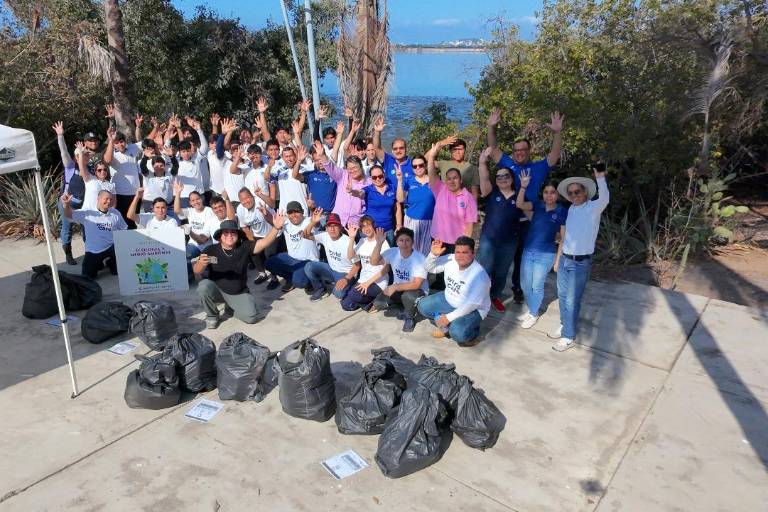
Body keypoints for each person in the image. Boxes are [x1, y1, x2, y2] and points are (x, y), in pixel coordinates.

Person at [486, 108, 564, 304]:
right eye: (516, 150)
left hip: (528, 220)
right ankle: (488, 289)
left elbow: (554, 156)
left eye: (523, 150)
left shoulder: (537, 167)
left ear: (529, 151)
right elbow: (493, 149)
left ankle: (518, 288)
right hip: (506, 219)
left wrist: (557, 133)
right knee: (498, 255)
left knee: (522, 257)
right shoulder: (507, 164)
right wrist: (491, 127)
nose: (519, 153)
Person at [550, 165, 609, 352]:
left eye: (577, 191)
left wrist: (600, 177)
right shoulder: (571, 210)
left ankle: (568, 335)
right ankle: (565, 324)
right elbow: (565, 236)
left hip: (580, 262)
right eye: (571, 193)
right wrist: (558, 259)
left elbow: (605, 197)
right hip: (566, 259)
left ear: (585, 192)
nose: (574, 195)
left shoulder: (592, 208)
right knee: (562, 296)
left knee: (572, 300)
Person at [193, 215, 285, 329]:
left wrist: (276, 228)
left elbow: (264, 242)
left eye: (233, 232)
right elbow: (196, 270)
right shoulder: (210, 250)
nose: (229, 235)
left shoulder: (244, 247)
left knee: (252, 318)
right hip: (216, 290)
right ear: (220, 236)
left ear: (237, 235)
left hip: (238, 292)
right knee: (203, 286)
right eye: (225, 233)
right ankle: (212, 315)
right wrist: (201, 263)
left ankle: (230, 307)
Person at [475, 147, 526, 313]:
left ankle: (494, 296)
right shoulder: (491, 192)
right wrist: (482, 162)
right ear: (495, 180)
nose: (503, 179)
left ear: (512, 178)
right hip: (488, 240)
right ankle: (478, 297)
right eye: (499, 176)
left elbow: (532, 213)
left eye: (506, 176)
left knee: (501, 273)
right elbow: (483, 178)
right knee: (483, 271)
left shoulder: (520, 195)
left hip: (509, 242)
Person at [515, 171, 568, 329]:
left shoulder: (562, 211)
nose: (549, 196)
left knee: (537, 285)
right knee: (525, 284)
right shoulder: (538, 205)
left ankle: (533, 313)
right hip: (528, 251)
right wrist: (523, 187)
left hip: (546, 254)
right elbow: (519, 204)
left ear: (557, 194)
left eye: (552, 192)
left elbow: (563, 238)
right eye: (546, 192)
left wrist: (558, 260)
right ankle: (532, 309)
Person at [418, 237, 491, 346]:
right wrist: (433, 255)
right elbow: (430, 268)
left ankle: (473, 331)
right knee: (422, 306)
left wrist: (448, 318)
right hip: (449, 299)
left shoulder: (480, 276)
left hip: (474, 309)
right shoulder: (451, 259)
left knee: (457, 333)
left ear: (473, 253)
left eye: (465, 252)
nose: (460, 256)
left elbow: (471, 305)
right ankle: (447, 326)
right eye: (458, 252)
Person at [370, 227, 428, 332]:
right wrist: (378, 244)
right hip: (399, 290)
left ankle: (410, 317)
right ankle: (404, 307)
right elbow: (374, 262)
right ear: (396, 242)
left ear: (413, 242)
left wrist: (395, 286)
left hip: (417, 292)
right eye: (401, 240)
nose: (404, 243)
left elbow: (417, 284)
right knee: (379, 303)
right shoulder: (392, 252)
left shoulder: (420, 258)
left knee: (408, 296)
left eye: (407, 240)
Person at [61, 190, 127, 279]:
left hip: (111, 247)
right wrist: (66, 205)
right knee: (88, 278)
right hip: (93, 251)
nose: (109, 201)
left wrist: (122, 248)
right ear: (98, 199)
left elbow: (124, 228)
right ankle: (101, 263)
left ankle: (110, 262)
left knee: (117, 272)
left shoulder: (115, 213)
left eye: (110, 199)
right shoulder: (87, 213)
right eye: (106, 199)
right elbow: (69, 215)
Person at [426, 142, 478, 253]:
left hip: (457, 243)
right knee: (435, 270)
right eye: (449, 178)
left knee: (453, 270)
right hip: (437, 240)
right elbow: (431, 173)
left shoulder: (468, 198)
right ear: (445, 180)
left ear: (461, 180)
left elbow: (469, 224)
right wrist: (432, 156)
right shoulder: (440, 189)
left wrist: (465, 246)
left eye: (455, 178)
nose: (452, 181)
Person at [302, 210, 358, 301]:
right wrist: (312, 222)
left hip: (345, 273)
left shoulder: (348, 241)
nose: (332, 229)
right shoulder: (325, 236)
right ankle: (321, 289)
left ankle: (348, 284)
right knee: (309, 266)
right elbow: (305, 235)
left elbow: (357, 265)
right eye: (329, 226)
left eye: (335, 225)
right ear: (326, 228)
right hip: (331, 270)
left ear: (340, 227)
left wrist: (346, 279)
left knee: (339, 294)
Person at [264, 200, 319, 292]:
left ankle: (311, 280)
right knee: (269, 263)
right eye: (290, 212)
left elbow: (316, 223)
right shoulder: (286, 223)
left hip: (308, 261)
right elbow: (275, 223)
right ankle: (289, 279)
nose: (293, 215)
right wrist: (266, 214)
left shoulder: (309, 220)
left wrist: (312, 208)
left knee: (300, 282)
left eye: (296, 211)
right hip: (291, 258)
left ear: (302, 212)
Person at [313, 141, 371, 227]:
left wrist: (353, 192)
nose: (352, 171)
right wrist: (322, 155)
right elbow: (330, 168)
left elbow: (364, 195)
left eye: (355, 167)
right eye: (350, 169)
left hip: (357, 223)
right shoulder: (343, 175)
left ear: (361, 166)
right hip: (338, 221)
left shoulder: (369, 182)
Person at [341, 216, 390, 311]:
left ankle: (379, 299)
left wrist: (367, 283)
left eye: (368, 225)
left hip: (378, 283)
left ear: (373, 226)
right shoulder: (362, 241)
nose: (366, 229)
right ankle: (369, 304)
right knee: (345, 304)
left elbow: (386, 269)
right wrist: (352, 238)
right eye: (363, 227)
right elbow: (351, 257)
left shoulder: (382, 242)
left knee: (353, 294)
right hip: (363, 280)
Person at [52, 121, 81, 265]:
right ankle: (68, 254)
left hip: (83, 203)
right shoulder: (70, 166)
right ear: (75, 157)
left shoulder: (90, 169)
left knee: (88, 227)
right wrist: (60, 136)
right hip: (67, 202)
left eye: (83, 154)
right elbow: (63, 152)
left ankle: (91, 252)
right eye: (79, 155)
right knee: (67, 226)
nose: (81, 157)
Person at [236, 187, 279, 286]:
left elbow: (272, 204)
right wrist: (253, 242)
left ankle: (274, 277)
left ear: (252, 196)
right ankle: (262, 273)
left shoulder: (260, 200)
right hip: (257, 234)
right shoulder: (240, 209)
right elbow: (245, 227)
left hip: (273, 232)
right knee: (252, 250)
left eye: (247, 198)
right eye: (242, 200)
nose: (245, 201)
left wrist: (261, 195)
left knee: (269, 255)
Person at [102, 126, 142, 229]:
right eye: (117, 142)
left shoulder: (132, 148)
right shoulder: (112, 154)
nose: (120, 144)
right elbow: (107, 160)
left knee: (133, 221)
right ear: (113, 145)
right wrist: (111, 140)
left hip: (135, 194)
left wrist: (138, 126)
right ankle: (123, 244)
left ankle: (133, 244)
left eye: (122, 141)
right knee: (121, 222)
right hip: (119, 195)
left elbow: (147, 141)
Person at [396, 153, 434, 255]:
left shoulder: (434, 180)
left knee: (425, 252)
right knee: (409, 250)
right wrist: (400, 181)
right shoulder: (409, 181)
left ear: (425, 165)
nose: (418, 168)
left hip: (429, 222)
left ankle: (422, 271)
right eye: (415, 166)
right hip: (411, 221)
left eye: (421, 165)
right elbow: (400, 199)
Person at [352, 164, 401, 243]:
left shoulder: (392, 188)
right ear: (371, 178)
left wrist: (399, 225)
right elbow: (359, 193)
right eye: (374, 177)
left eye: (380, 176)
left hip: (388, 231)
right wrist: (352, 191)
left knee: (388, 254)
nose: (378, 179)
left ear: (384, 175)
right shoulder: (368, 189)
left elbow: (397, 207)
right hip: (370, 231)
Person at [173, 187, 218, 259]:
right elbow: (176, 210)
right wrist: (178, 193)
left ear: (202, 199)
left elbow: (202, 240)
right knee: (183, 258)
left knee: (213, 263)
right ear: (190, 203)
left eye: (198, 199)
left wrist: (189, 231)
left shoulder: (210, 211)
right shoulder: (190, 211)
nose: (196, 202)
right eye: (193, 200)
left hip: (208, 245)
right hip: (193, 245)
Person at [433, 136, 480, 200]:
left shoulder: (472, 168)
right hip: (445, 205)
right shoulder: (443, 164)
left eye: (460, 149)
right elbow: (423, 161)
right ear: (450, 151)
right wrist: (441, 143)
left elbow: (475, 194)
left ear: (464, 150)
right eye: (454, 149)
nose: (457, 152)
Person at [372, 115, 413, 183]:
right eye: (395, 149)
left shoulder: (413, 163)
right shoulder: (388, 160)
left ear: (406, 149)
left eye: (401, 148)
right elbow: (377, 148)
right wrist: (377, 132)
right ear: (392, 151)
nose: (398, 151)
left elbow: (425, 160)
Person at [76, 142, 115, 211]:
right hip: (89, 214)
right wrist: (81, 153)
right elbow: (82, 167)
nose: (102, 172)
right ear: (95, 171)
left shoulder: (110, 185)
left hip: (103, 216)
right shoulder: (89, 179)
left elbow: (113, 203)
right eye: (99, 170)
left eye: (105, 170)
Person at [139, 146, 178, 212]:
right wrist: (145, 157)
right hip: (152, 205)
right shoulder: (149, 175)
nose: (159, 168)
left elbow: (176, 166)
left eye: (161, 166)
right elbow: (142, 166)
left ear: (165, 166)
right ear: (152, 167)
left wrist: (172, 156)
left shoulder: (170, 174)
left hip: (169, 205)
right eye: (156, 166)